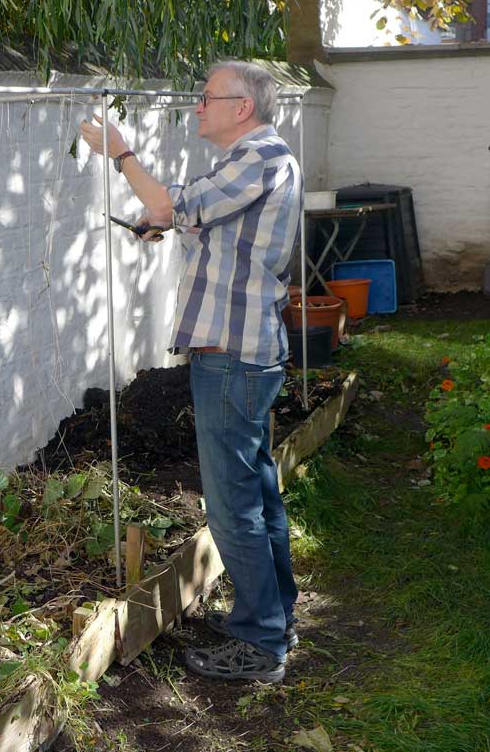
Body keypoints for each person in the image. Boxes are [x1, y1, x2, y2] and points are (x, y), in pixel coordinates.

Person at [80, 61, 301, 683]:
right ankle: (273, 617)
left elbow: (169, 202)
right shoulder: (253, 161)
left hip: (233, 354)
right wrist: (164, 221)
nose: (198, 106)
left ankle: (259, 643)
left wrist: (122, 154)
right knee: (255, 489)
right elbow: (190, 217)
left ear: (243, 108)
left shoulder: (259, 158)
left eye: (207, 98)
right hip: (241, 351)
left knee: (232, 506)